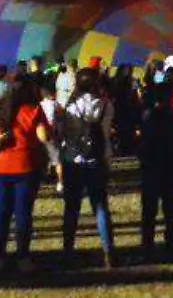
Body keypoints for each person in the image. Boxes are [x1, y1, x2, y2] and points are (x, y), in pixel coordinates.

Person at [0, 74, 50, 270]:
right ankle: (22, 257)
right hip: (26, 166)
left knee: (0, 213)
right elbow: (44, 136)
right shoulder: (33, 109)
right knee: (23, 213)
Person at [57, 66, 116, 267]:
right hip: (97, 161)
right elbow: (106, 132)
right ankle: (109, 251)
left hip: (73, 160)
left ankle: (67, 251)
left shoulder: (71, 105)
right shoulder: (106, 105)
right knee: (100, 208)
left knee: (71, 208)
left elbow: (62, 131)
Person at [137, 63, 173, 259]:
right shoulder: (171, 118)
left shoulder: (149, 118)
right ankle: (171, 240)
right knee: (170, 208)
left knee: (150, 209)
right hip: (169, 166)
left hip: (152, 167)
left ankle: (148, 242)